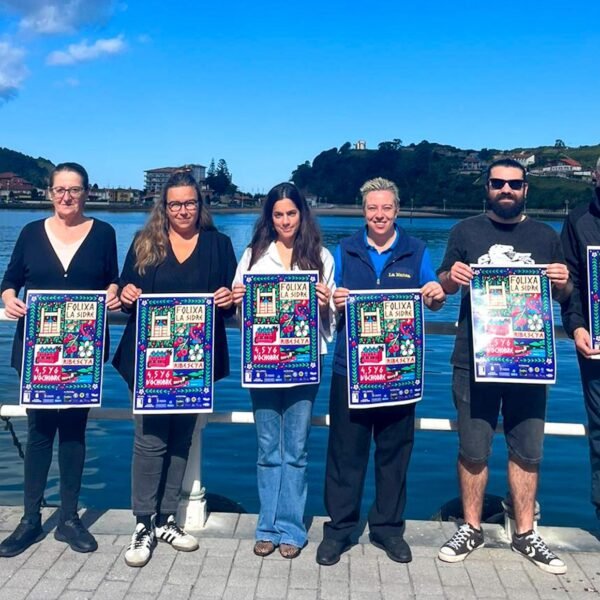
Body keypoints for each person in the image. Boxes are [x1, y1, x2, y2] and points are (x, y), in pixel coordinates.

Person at [436, 158, 570, 574]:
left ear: (526, 188)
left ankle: (526, 533)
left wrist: (563, 279)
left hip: (529, 361)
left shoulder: (547, 236)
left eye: (514, 183)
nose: (506, 189)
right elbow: (440, 287)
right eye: (498, 183)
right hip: (473, 358)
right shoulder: (464, 231)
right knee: (473, 449)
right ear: (487, 187)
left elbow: (565, 295)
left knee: (528, 450)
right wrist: (450, 278)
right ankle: (471, 527)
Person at [316, 177, 446, 566]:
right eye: (372, 208)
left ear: (397, 210)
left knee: (394, 453)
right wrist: (331, 300)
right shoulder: (343, 250)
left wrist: (437, 295)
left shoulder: (417, 250)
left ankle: (388, 529)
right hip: (349, 368)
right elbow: (325, 306)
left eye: (386, 208)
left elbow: (434, 298)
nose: (379, 215)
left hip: (399, 371)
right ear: (363, 211)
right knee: (344, 453)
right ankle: (339, 529)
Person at [112, 171, 237, 568]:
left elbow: (233, 297)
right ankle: (142, 522)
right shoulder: (144, 242)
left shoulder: (220, 245)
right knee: (149, 439)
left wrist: (228, 297)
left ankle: (167, 518)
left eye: (190, 203)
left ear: (200, 206)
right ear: (163, 207)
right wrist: (127, 293)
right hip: (150, 361)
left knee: (182, 437)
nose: (183, 210)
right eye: (175, 204)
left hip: (193, 362)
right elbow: (124, 289)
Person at [0, 162, 120, 557]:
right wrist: (8, 298)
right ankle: (30, 519)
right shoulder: (32, 232)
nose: (66, 196)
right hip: (38, 351)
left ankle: (68, 518)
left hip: (82, 352)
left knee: (73, 433)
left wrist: (116, 292)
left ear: (86, 192)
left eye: (74, 189)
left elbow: (112, 279)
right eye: (59, 189)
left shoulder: (104, 233)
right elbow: (10, 278)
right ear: (50, 192)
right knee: (38, 434)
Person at [232, 182, 335, 559]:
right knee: (266, 448)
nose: (285, 220)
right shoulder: (252, 256)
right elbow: (243, 316)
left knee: (296, 449)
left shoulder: (321, 257)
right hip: (262, 362)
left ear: (302, 215)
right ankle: (266, 526)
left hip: (306, 363)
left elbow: (330, 323)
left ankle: (291, 528)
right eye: (278, 214)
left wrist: (325, 304)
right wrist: (239, 300)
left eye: (292, 213)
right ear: (269, 217)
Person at [560, 156, 600, 521]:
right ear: (595, 175)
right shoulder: (578, 221)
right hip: (595, 347)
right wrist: (576, 326)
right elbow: (571, 283)